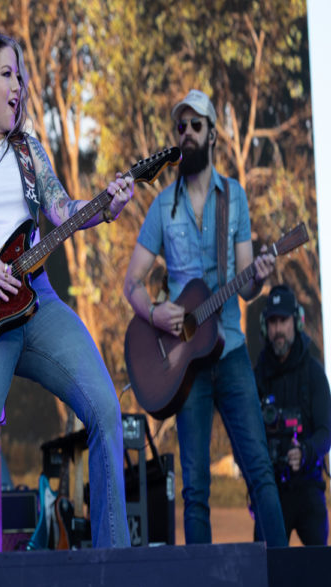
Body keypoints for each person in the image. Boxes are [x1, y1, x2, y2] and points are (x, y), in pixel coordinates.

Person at [0, 31, 133, 554]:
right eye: (7, 74)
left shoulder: (28, 151)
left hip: (37, 300)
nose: (19, 84)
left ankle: (115, 559)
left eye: (20, 75)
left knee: (106, 411)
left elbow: (61, 209)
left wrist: (105, 205)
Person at [123, 88, 287, 546]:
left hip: (229, 350)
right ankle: (202, 582)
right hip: (185, 366)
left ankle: (283, 575)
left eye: (196, 125)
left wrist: (259, 277)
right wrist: (156, 313)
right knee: (194, 491)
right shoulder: (162, 206)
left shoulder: (234, 198)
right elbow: (131, 283)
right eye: (181, 126)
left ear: (212, 134)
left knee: (260, 472)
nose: (188, 133)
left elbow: (247, 286)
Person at [254, 284, 331, 545]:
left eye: (283, 320)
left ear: (296, 322)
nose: (278, 329)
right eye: (272, 322)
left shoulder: (314, 373)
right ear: (265, 326)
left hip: (308, 487)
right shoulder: (257, 376)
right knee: (265, 566)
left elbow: (326, 432)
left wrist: (306, 452)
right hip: (270, 491)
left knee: (319, 566)